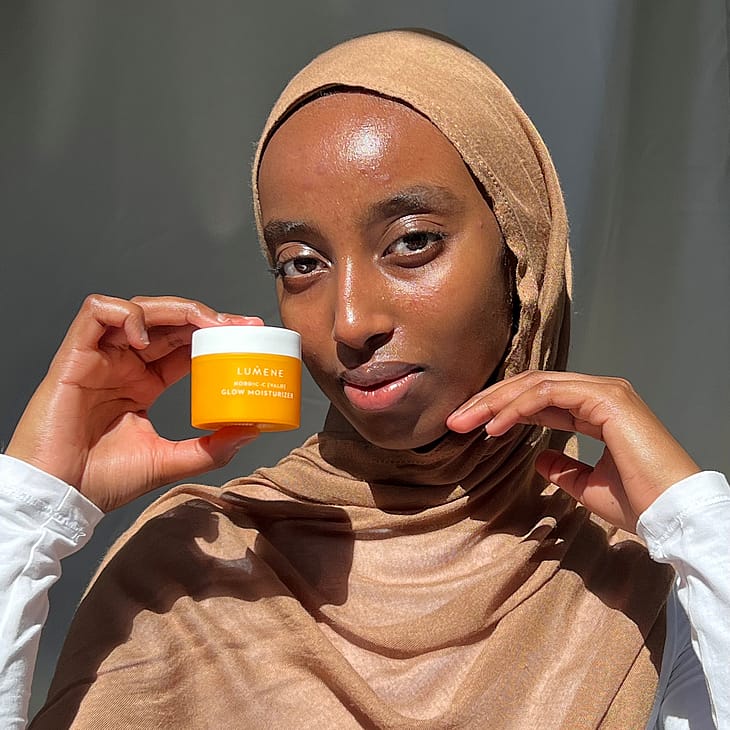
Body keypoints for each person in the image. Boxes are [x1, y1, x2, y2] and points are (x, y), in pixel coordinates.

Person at [0, 29, 728, 729]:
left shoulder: (654, 589)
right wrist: (30, 506)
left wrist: (697, 526)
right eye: (301, 263)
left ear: (522, 255)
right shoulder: (195, 566)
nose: (349, 321)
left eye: (412, 242)